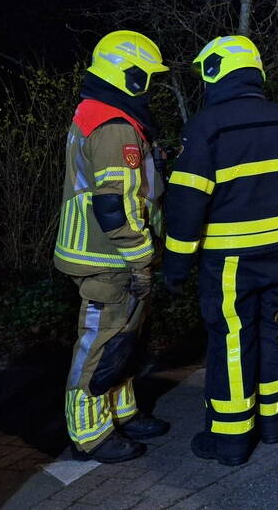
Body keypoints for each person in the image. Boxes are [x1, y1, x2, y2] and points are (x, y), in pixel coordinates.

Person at [162, 36, 278, 466]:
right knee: (269, 330)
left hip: (230, 258)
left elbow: (186, 203)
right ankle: (270, 424)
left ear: (216, 71)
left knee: (232, 340)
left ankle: (232, 440)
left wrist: (176, 264)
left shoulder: (205, 127)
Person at [55, 30, 171, 463]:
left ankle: (121, 412)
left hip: (108, 252)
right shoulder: (114, 125)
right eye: (148, 75)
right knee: (100, 343)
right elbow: (114, 205)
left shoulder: (99, 113)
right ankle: (90, 432)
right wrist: (141, 256)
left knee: (122, 338)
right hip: (109, 255)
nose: (152, 84)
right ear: (131, 74)